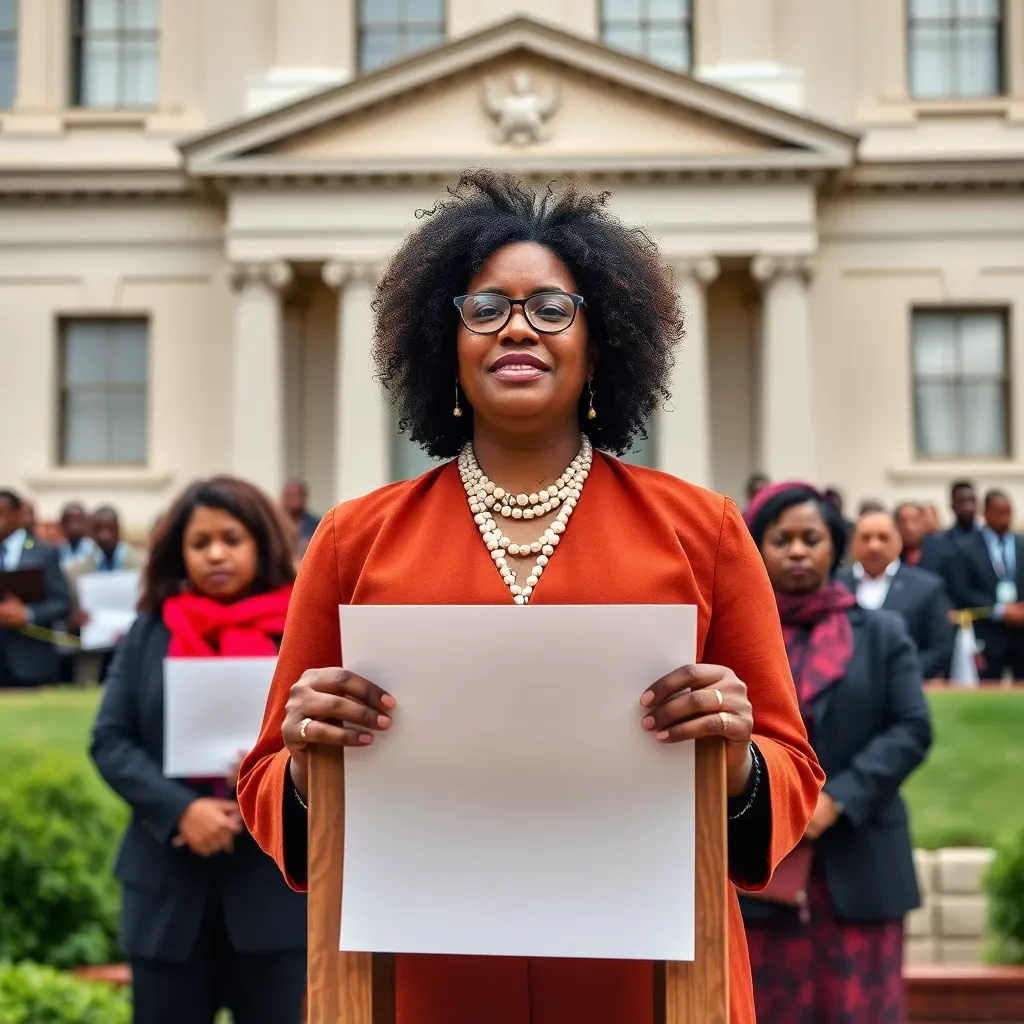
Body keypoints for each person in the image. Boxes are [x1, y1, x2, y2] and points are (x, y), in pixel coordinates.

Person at [237, 171, 823, 1024]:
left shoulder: (705, 532)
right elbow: (265, 781)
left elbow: (793, 773)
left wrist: (734, 758)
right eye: (486, 308)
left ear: (600, 344)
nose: (519, 325)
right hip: (423, 979)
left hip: (651, 984)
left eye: (552, 308)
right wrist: (305, 754)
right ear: (448, 345)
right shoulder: (353, 539)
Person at [89, 476, 307, 1024]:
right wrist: (180, 810)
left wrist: (277, 771)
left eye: (231, 539)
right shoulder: (150, 632)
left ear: (261, 543)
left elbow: (330, 742)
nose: (216, 553)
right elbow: (110, 740)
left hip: (272, 888)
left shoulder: (301, 632)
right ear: (179, 553)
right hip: (168, 889)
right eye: (200, 542)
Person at [742, 483, 932, 1024]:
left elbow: (911, 727)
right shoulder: (730, 635)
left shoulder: (882, 634)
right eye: (781, 539)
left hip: (860, 859)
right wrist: (781, 799)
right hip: (765, 866)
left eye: (812, 538)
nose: (798, 551)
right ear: (757, 548)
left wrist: (836, 799)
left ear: (835, 546)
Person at [839, 509, 954, 679]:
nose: (874, 546)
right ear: (852, 544)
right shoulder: (836, 586)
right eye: (865, 538)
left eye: (883, 538)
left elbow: (940, 650)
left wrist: (901, 674)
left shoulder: (927, 587)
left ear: (898, 541)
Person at [0, 488, 71, 687]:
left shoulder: (44, 552)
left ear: (18, 515)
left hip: (30, 662)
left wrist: (27, 614)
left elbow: (62, 604)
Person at [953, 489, 1024, 682]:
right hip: (988, 632)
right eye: (999, 512)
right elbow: (962, 590)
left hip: (1021, 631)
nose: (1005, 518)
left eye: (1009, 512)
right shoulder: (967, 547)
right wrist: (999, 610)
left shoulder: (1021, 543)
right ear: (985, 513)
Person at [280, 479, 319, 559]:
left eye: (296, 495)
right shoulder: (276, 524)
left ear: (304, 497)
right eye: (289, 496)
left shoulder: (316, 524)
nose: (292, 500)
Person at [895, 502, 927, 566]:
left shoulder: (937, 552)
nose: (909, 527)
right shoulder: (892, 555)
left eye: (914, 520)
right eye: (903, 521)